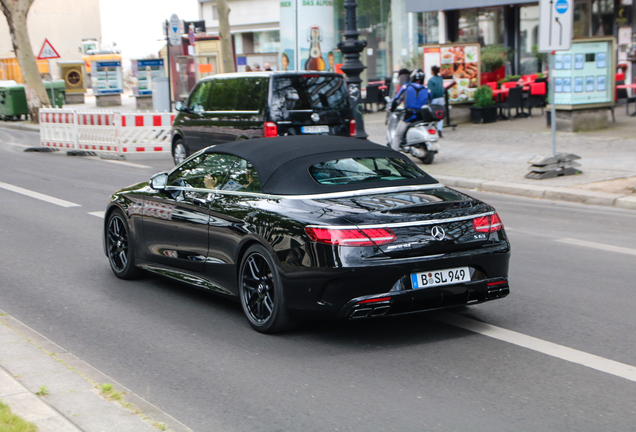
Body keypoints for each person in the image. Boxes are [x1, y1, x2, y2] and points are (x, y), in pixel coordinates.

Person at [390, 68, 431, 151]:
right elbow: (429, 104)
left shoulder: (406, 87)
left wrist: (392, 108)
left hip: (408, 116)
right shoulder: (427, 90)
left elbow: (397, 100)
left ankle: (393, 154)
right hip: (421, 117)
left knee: (397, 136)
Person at [428, 65, 445, 137]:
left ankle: (433, 128)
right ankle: (440, 130)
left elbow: (430, 91)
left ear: (432, 71)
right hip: (441, 98)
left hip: (434, 99)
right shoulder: (440, 78)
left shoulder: (431, 80)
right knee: (440, 115)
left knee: (433, 114)